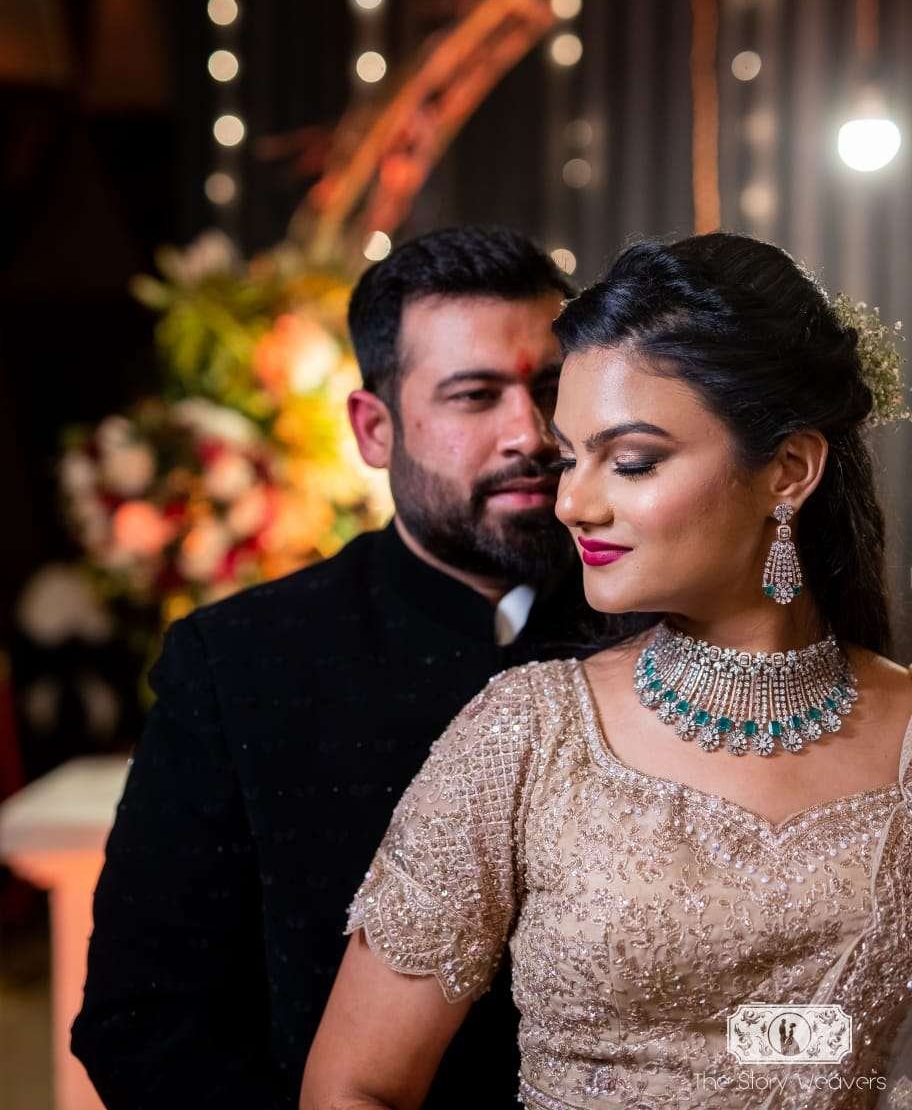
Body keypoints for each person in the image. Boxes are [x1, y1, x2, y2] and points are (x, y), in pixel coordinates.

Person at [301, 232, 912, 1110]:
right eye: (570, 456)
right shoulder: (529, 733)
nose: (571, 502)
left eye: (630, 462)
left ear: (788, 470)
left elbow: (826, 1047)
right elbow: (353, 1086)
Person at [71, 225, 643, 1110]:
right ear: (375, 430)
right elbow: (141, 1020)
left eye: (548, 389)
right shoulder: (238, 662)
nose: (530, 435)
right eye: (474, 396)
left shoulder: (661, 628)